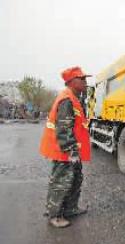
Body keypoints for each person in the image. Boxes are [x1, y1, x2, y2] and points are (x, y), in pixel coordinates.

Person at [40, 66, 91, 228]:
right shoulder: (66, 100)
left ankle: (70, 209)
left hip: (73, 151)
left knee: (75, 180)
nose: (85, 82)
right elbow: (63, 129)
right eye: (82, 79)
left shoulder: (74, 98)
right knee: (61, 182)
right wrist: (71, 152)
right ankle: (54, 215)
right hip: (64, 152)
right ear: (72, 82)